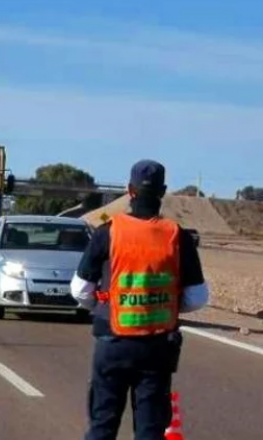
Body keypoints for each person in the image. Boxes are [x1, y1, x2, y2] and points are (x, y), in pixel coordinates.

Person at [69, 159, 209, 440]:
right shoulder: (177, 236)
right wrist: (166, 305)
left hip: (113, 343)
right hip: (157, 348)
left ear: (129, 191)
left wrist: (102, 306)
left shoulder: (106, 232)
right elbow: (197, 297)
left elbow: (80, 290)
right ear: (163, 191)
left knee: (102, 426)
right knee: (150, 430)